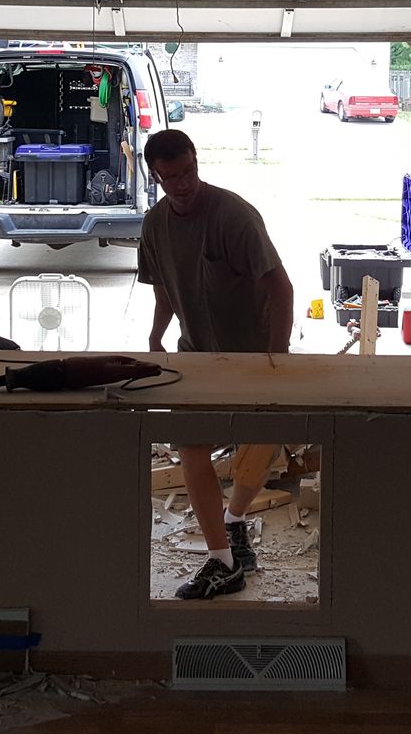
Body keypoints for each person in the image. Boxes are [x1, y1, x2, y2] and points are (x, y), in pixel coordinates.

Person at [137, 128, 296, 599]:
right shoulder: (155, 225)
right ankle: (222, 561)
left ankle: (235, 521)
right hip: (198, 353)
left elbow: (280, 287)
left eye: (187, 172)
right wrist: (154, 335)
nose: (181, 184)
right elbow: (165, 287)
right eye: (170, 178)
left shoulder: (234, 216)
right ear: (157, 176)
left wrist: (277, 357)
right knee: (191, 445)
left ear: (196, 161)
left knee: (263, 437)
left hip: (253, 350)